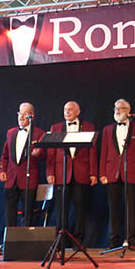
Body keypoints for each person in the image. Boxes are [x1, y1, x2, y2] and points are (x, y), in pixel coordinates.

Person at [46, 101, 98, 246]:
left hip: (82, 172)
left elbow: (92, 152)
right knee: (61, 208)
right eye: (65, 110)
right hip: (61, 173)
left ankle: (78, 241)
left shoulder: (88, 127)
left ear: (78, 112)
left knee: (81, 208)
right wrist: (50, 172)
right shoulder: (55, 128)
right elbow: (51, 152)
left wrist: (93, 173)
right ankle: (61, 242)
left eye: (70, 109)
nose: (67, 112)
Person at [99, 99, 135, 248]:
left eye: (120, 108)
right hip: (112, 172)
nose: (117, 111)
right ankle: (114, 240)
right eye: (115, 108)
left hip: (131, 172)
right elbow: (103, 152)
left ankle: (131, 240)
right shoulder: (107, 129)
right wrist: (102, 173)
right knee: (113, 208)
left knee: (131, 207)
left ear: (128, 111)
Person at [0, 102, 45, 227]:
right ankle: (9, 240)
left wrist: (38, 154)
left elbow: (44, 156)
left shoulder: (39, 133)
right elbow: (5, 155)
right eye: (20, 113)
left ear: (31, 116)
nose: (21, 116)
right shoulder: (11, 132)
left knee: (27, 212)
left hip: (29, 178)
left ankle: (25, 242)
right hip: (11, 177)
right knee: (10, 210)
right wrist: (2, 171)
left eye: (25, 113)